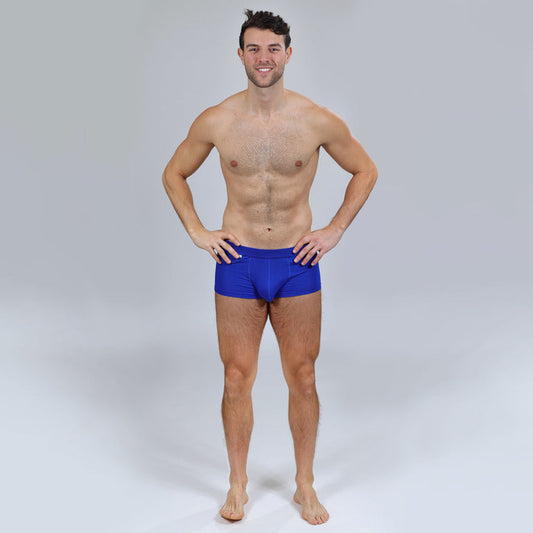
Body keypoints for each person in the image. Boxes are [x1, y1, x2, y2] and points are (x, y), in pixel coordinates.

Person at [162, 9, 377, 526]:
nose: (264, 58)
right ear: (240, 55)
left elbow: (365, 170)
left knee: (303, 377)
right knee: (236, 379)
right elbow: (173, 173)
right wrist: (197, 231)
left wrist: (334, 230)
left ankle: (305, 483)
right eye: (254, 49)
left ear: (288, 54)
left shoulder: (315, 119)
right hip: (237, 263)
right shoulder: (217, 120)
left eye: (273, 48)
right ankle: (237, 483)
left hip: (296, 262)